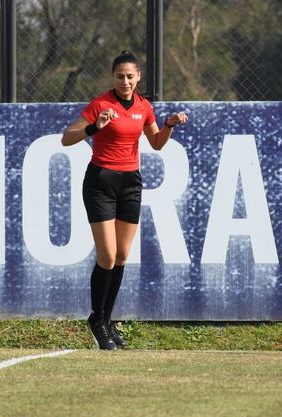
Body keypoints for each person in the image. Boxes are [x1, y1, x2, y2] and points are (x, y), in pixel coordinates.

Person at [61, 50, 188, 350]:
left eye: (130, 76)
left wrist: (168, 125)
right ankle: (96, 319)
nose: (125, 81)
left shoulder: (144, 107)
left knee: (121, 256)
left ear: (138, 77)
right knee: (106, 255)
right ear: (113, 77)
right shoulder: (101, 104)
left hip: (130, 183)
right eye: (120, 76)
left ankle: (106, 321)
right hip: (100, 182)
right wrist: (94, 128)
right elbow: (66, 138)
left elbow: (156, 144)